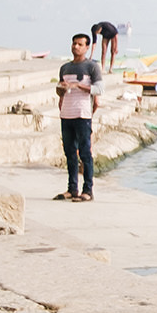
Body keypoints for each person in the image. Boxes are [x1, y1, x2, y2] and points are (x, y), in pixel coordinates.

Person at [54, 33, 102, 201]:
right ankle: (72, 188)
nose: (76, 47)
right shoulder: (65, 68)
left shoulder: (92, 67)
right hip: (66, 114)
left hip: (82, 114)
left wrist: (77, 85)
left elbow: (99, 89)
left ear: (87, 47)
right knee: (69, 153)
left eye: (80, 44)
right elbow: (60, 91)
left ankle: (87, 190)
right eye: (74, 44)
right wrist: (61, 88)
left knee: (85, 153)